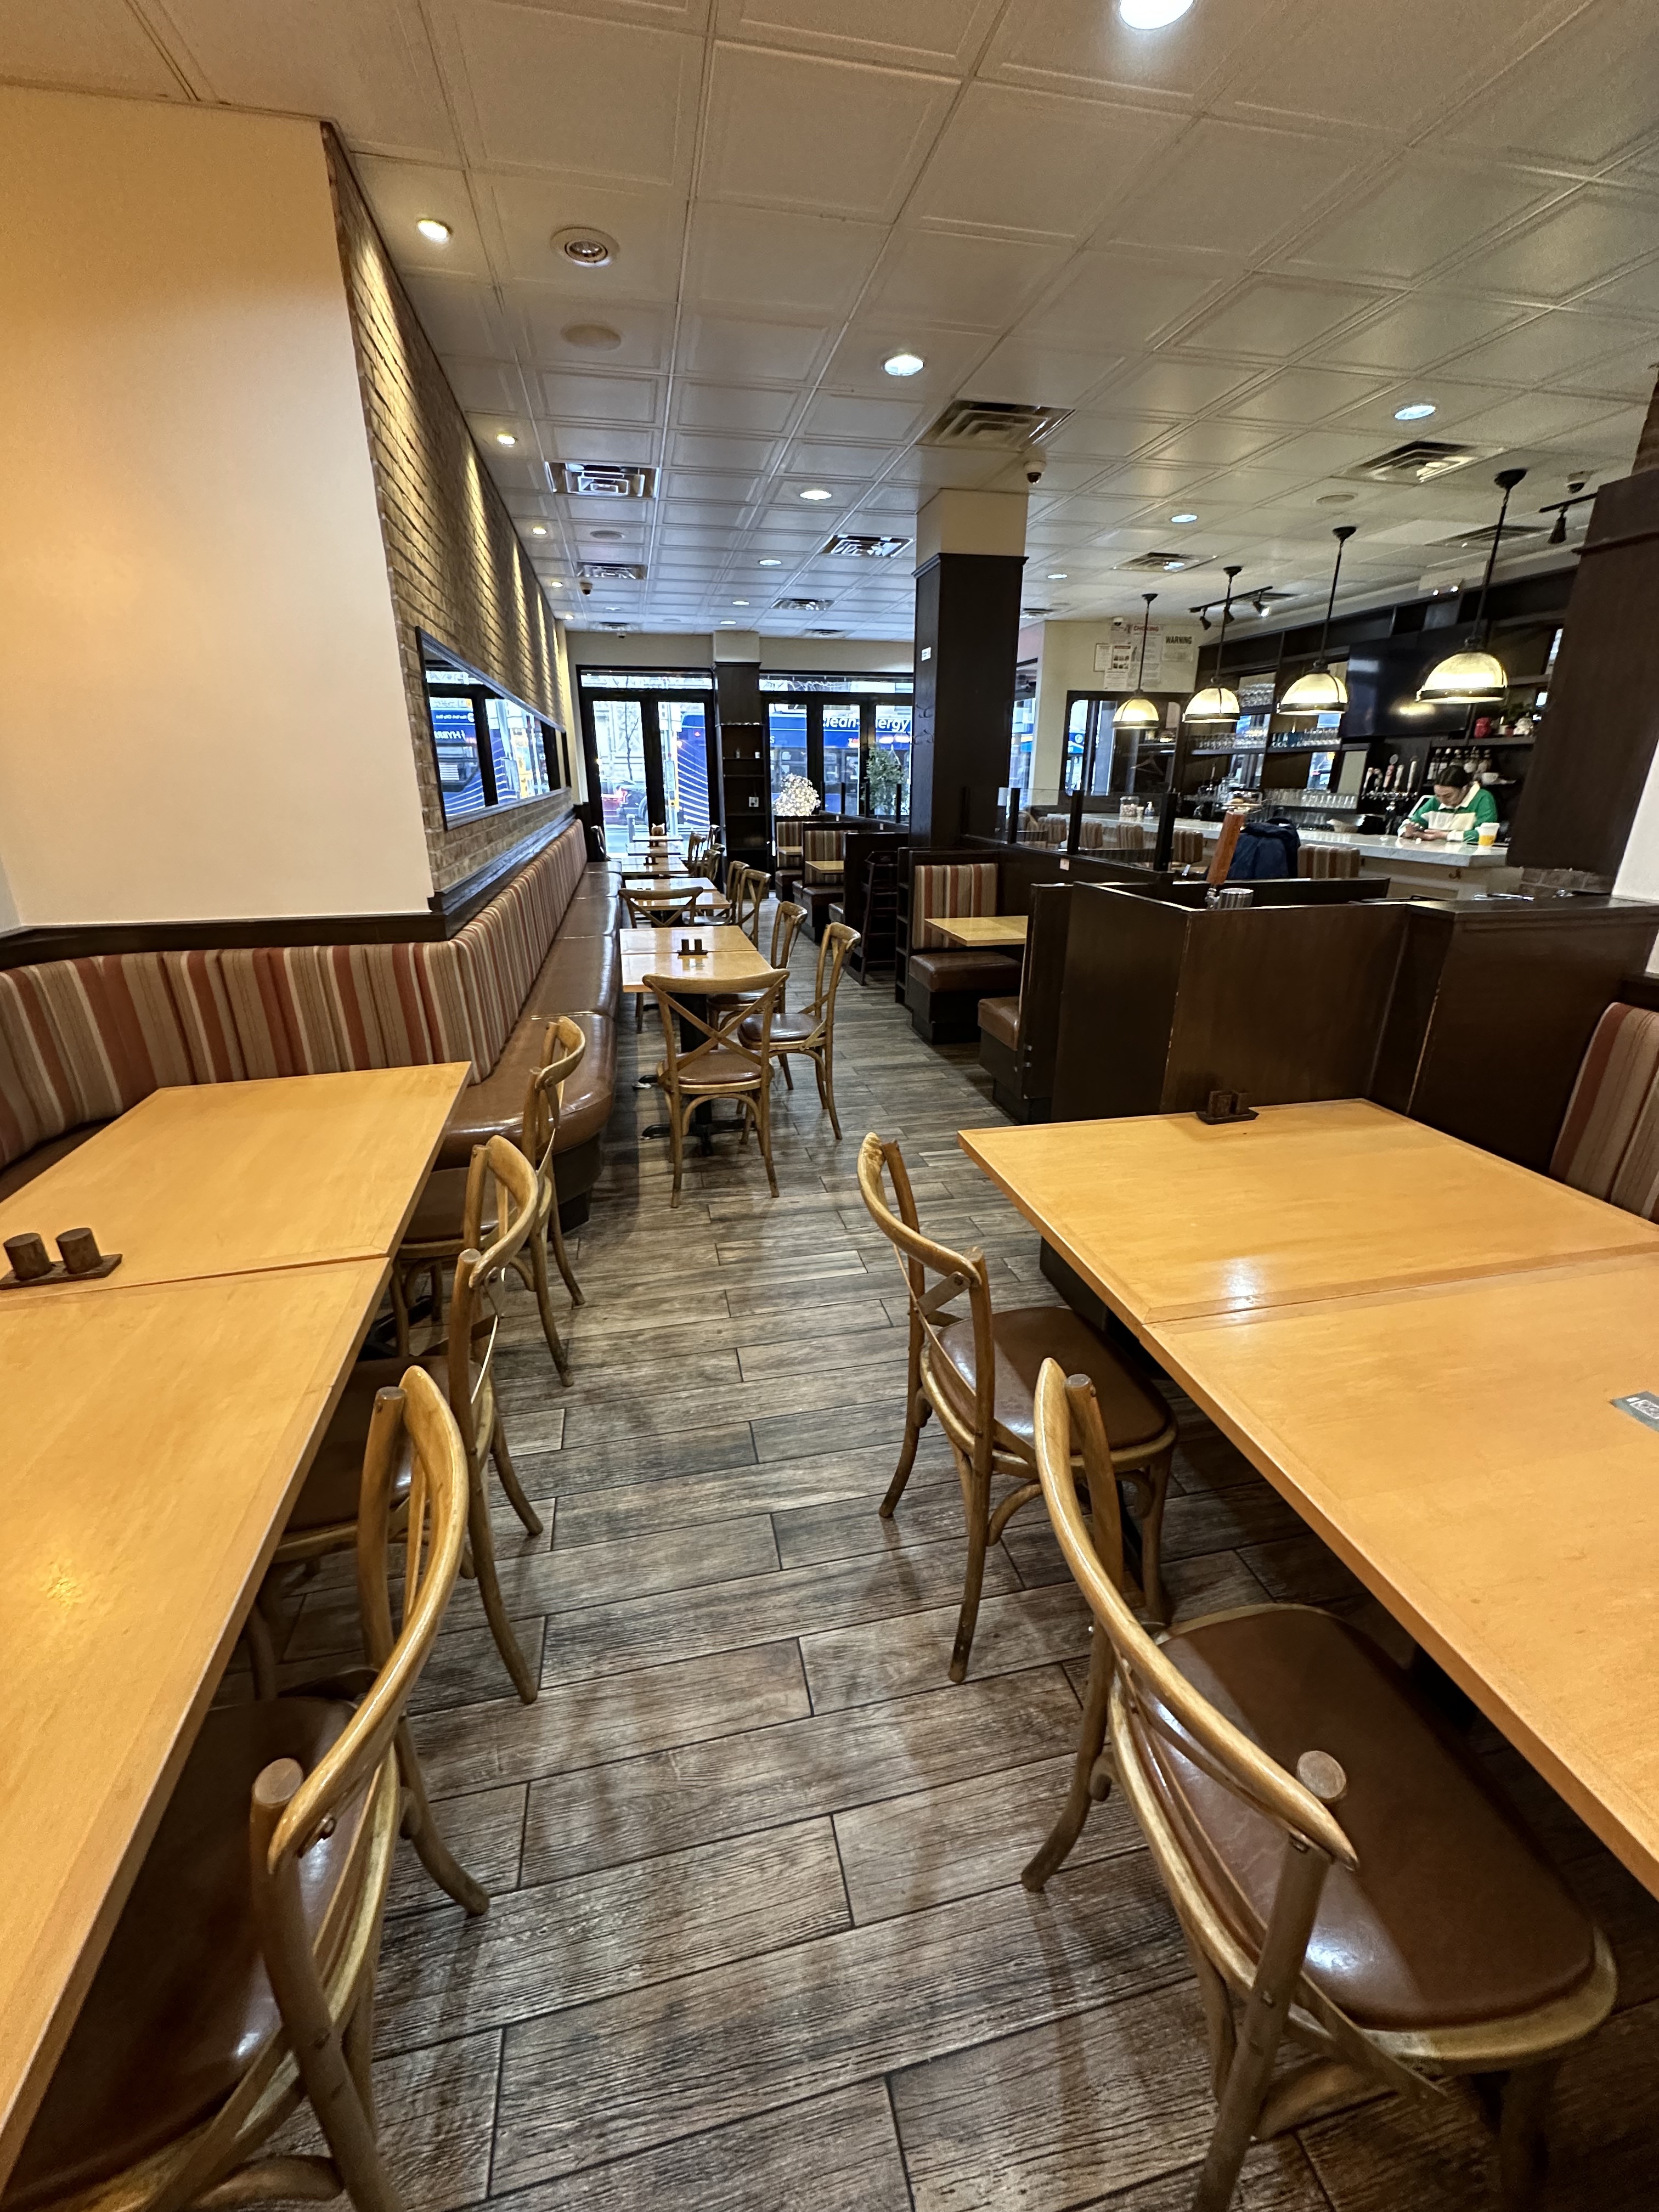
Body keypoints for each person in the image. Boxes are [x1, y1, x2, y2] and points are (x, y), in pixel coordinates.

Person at [1400, 766, 1499, 845]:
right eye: (1438, 795)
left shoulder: (1482, 798)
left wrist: (1445, 836)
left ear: (1464, 789)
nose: (1442, 801)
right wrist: (1408, 832)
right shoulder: (1435, 801)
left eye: (1448, 796)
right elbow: (1409, 823)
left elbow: (1486, 834)